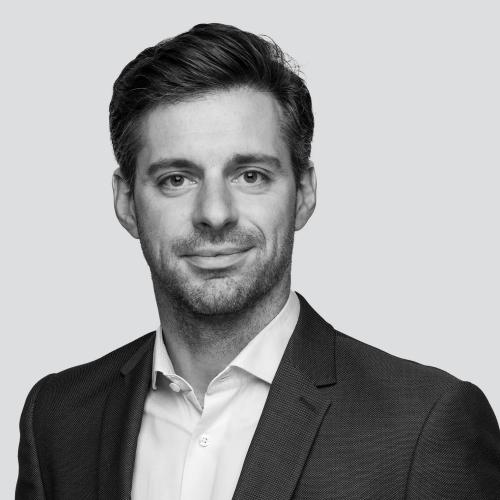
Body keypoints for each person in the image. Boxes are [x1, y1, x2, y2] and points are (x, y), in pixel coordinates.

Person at [16, 23, 500, 500]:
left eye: (250, 175)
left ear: (304, 193)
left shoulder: (424, 424)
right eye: (176, 179)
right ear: (126, 203)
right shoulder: (57, 418)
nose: (214, 213)